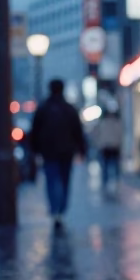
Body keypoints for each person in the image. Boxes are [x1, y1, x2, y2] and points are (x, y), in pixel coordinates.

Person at [30, 79, 86, 227]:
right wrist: (81, 150)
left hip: (48, 152)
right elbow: (78, 132)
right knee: (64, 180)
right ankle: (60, 209)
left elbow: (35, 131)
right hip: (66, 152)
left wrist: (35, 150)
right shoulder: (69, 109)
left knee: (51, 180)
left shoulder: (43, 108)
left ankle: (55, 208)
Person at [92, 105, 123, 194]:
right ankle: (113, 183)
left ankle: (110, 183)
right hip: (110, 147)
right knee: (110, 166)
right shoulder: (115, 123)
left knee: (109, 166)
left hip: (109, 147)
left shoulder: (103, 123)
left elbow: (96, 135)